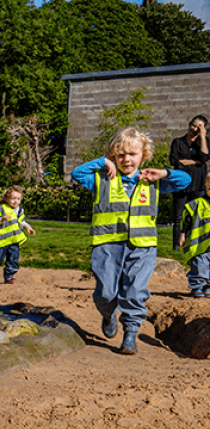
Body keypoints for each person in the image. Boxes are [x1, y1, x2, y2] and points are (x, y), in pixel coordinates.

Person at [71, 127, 190, 355]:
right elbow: (77, 174)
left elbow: (185, 181)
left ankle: (130, 335)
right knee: (106, 292)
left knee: (135, 291)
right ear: (113, 156)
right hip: (107, 245)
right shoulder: (101, 179)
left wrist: (164, 173)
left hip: (143, 247)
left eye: (132, 154)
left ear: (143, 156)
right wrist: (102, 162)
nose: (126, 159)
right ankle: (108, 315)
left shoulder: (151, 180)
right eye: (120, 154)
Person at [0, 186, 36, 284]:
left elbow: (21, 221)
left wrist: (28, 227)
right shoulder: (1, 209)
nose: (16, 201)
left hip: (14, 241)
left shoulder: (20, 211)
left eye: (18, 199)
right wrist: (1, 220)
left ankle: (9, 277)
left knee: (13, 260)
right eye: (13, 198)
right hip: (1, 241)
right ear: (6, 199)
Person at [169, 115, 208, 250]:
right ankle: (175, 246)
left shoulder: (205, 142)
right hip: (180, 184)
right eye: (194, 125)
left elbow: (204, 157)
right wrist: (196, 162)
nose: (195, 129)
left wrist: (202, 137)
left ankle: (191, 241)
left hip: (198, 184)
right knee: (178, 216)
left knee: (194, 215)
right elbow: (174, 161)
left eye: (199, 127)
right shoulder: (178, 142)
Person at [178, 174, 210, 298]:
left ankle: (207, 286)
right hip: (199, 245)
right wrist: (182, 234)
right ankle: (197, 286)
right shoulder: (197, 204)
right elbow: (187, 221)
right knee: (200, 266)